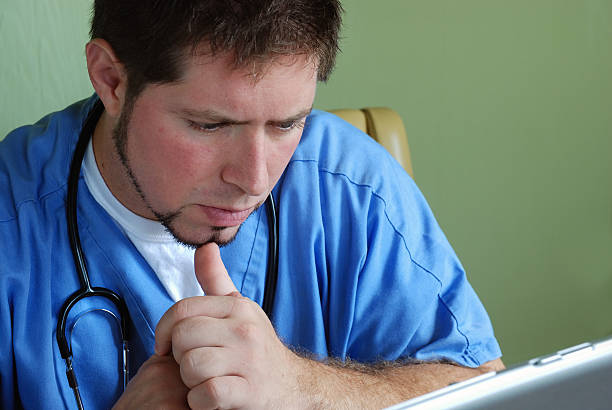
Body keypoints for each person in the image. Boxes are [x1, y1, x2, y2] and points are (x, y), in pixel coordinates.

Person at [0, 1, 504, 408]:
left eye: (286, 125)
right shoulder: (12, 223)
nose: (254, 179)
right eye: (211, 125)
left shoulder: (351, 186)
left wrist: (300, 389)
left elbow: (483, 386)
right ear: (110, 78)